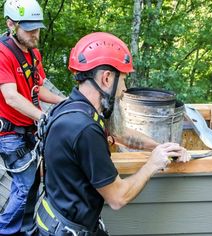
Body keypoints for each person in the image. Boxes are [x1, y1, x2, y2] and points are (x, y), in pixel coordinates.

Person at [36, 32, 190, 236]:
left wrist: (161, 147)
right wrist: (153, 164)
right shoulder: (84, 129)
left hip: (60, 219)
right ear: (107, 78)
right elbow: (118, 197)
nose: (124, 89)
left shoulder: (72, 108)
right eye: (123, 79)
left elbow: (120, 134)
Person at [0, 0, 65, 235]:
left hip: (28, 130)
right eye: (29, 29)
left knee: (33, 185)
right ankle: (5, 230)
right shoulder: (2, 53)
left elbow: (38, 88)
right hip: (10, 133)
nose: (35, 34)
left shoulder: (33, 52)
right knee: (24, 187)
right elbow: (11, 97)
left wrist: (64, 101)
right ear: (11, 24)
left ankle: (25, 229)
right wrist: (42, 116)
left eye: (37, 28)